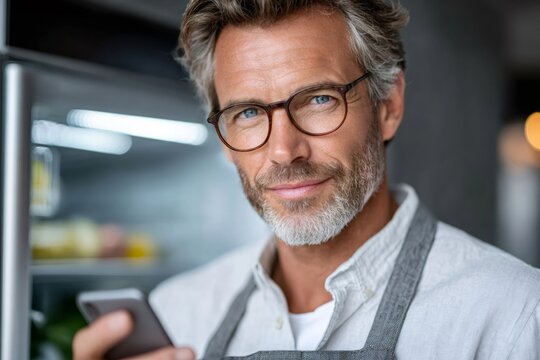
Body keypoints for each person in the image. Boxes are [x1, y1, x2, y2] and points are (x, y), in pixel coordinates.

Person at [73, 1, 540, 359]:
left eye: (318, 99)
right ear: (222, 135)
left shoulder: (512, 313)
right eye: (249, 112)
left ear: (388, 106)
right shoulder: (179, 314)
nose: (283, 151)